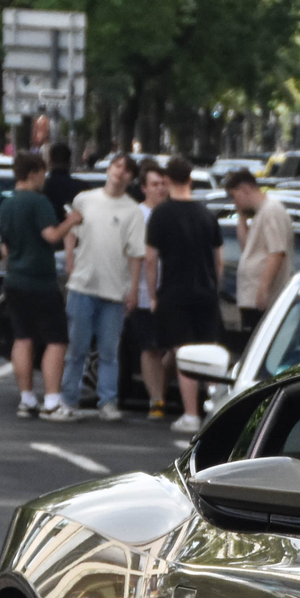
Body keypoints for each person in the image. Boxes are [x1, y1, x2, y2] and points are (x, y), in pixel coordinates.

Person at [60, 151, 146, 422]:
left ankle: (108, 401)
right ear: (109, 169)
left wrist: (132, 288)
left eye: (127, 170)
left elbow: (135, 254)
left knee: (109, 351)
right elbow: (71, 232)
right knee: (77, 348)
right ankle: (68, 399)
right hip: (83, 285)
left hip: (113, 290)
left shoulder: (132, 210)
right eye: (117, 166)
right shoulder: (85, 200)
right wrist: (70, 261)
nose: (120, 172)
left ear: (131, 178)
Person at [0, 150, 81, 421]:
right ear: (32, 173)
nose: (44, 178)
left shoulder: (6, 205)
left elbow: (4, 249)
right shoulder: (38, 202)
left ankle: (27, 399)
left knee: (22, 338)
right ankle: (53, 401)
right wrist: (72, 220)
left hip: (14, 280)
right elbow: (51, 234)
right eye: (42, 173)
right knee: (56, 341)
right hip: (40, 281)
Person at [146, 156, 225, 436]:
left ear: (167, 181)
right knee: (208, 353)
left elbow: (151, 258)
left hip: (174, 292)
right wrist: (214, 287)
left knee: (184, 354)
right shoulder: (206, 214)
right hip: (205, 292)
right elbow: (219, 260)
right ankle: (216, 410)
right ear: (190, 179)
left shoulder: (161, 215)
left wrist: (153, 294)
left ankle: (191, 414)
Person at [224, 169, 293, 340]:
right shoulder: (260, 212)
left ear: (244, 190)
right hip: (250, 298)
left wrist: (263, 289)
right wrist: (241, 217)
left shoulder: (271, 210)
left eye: (234, 196)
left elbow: (277, 252)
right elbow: (247, 247)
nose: (234, 203)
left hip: (261, 299)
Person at [127, 162, 171, 421]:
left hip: (172, 291)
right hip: (144, 291)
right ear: (144, 188)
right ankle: (156, 400)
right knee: (150, 347)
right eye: (155, 184)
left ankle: (160, 388)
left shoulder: (171, 213)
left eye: (163, 183)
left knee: (177, 348)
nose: (160, 189)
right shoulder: (138, 215)